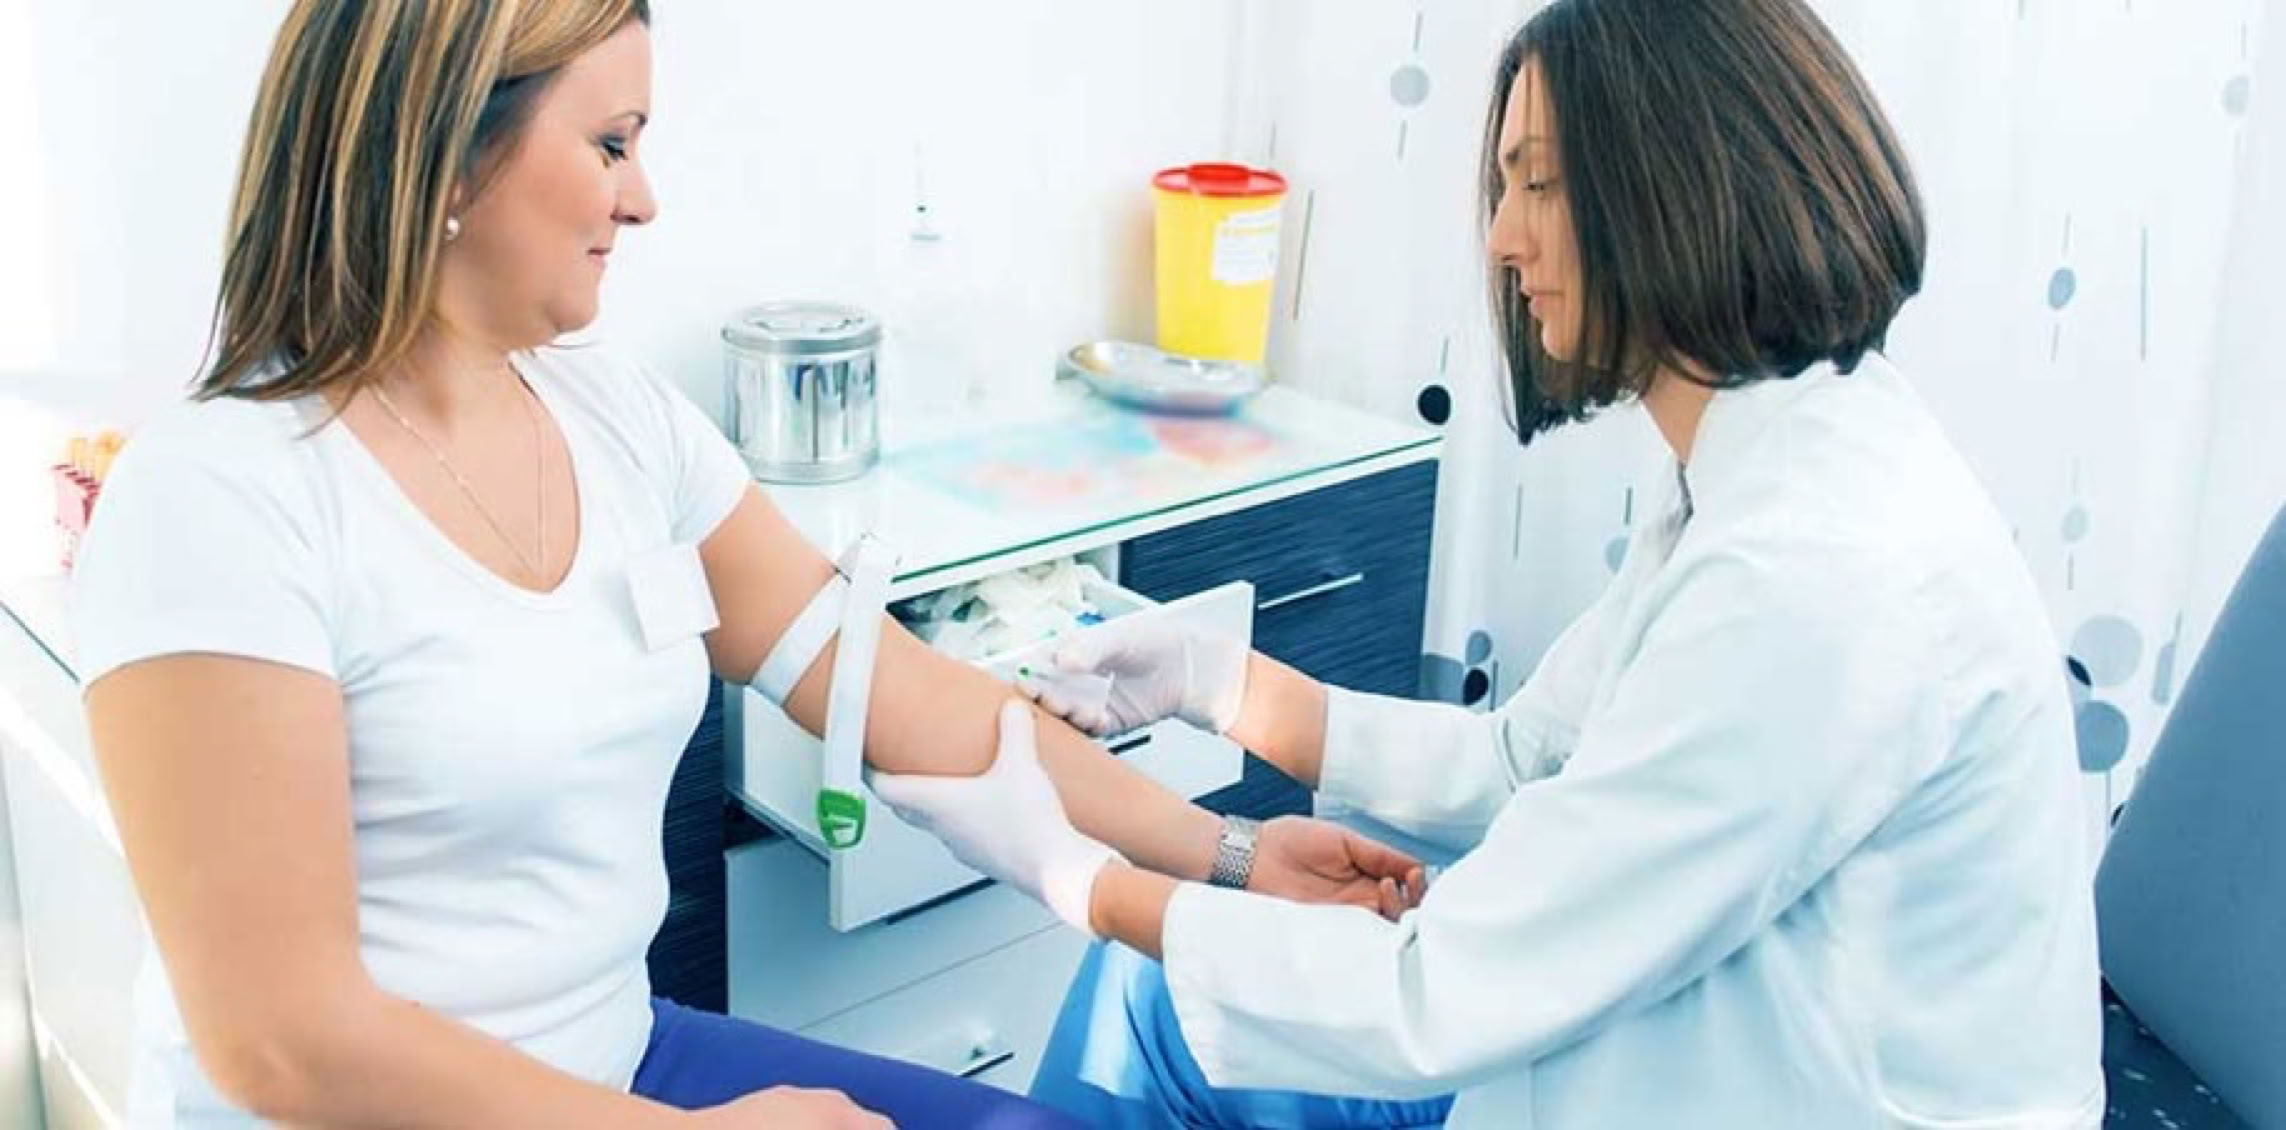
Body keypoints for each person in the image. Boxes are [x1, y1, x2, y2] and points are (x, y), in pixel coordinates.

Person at [68, 2, 1423, 1126]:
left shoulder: (615, 420)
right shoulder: (222, 494)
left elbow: (910, 700)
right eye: (610, 143)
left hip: (616, 1062)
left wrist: (1229, 852)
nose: (642, 197)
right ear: (447, 156)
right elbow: (282, 1038)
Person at [869, 0, 2109, 1126]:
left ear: (1688, 186)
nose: (1505, 239)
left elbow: (1434, 996)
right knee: (1153, 996)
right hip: (1683, 1039)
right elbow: (1532, 758)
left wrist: (1073, 871)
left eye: (1544, 184)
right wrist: (1217, 681)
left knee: (1150, 998)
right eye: (1506, 186)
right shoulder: (1772, 465)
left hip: (1772, 1086)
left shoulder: (1816, 577)